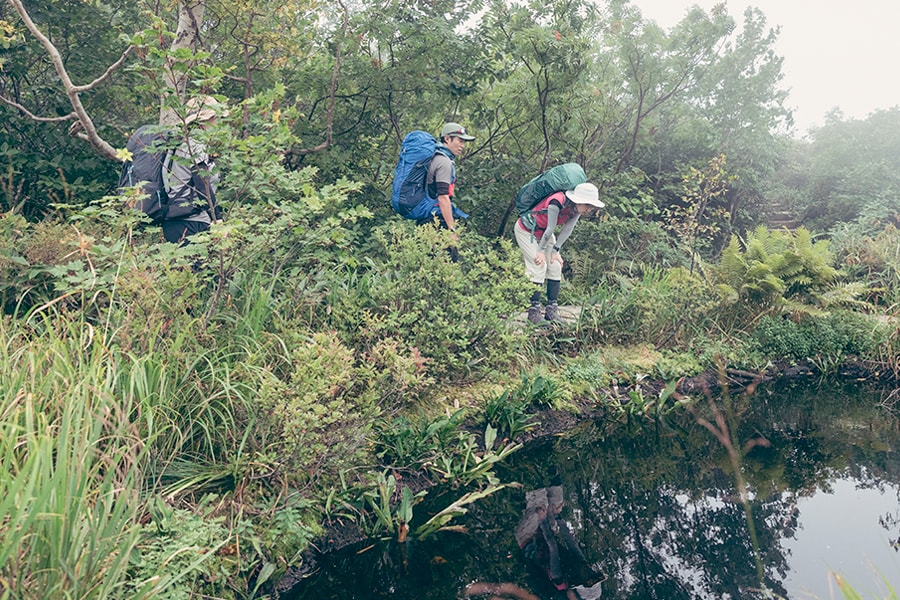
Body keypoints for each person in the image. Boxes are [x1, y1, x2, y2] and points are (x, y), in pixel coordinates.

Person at [515, 182, 603, 324]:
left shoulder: (576, 210)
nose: (589, 209)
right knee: (539, 264)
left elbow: (567, 230)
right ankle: (533, 312)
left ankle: (551, 310)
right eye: (588, 205)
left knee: (555, 265)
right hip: (526, 230)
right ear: (579, 200)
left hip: (544, 233)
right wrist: (540, 251)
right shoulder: (557, 201)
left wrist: (556, 250)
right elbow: (550, 228)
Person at [161, 95, 228, 244]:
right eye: (215, 118)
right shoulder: (195, 145)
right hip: (193, 222)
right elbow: (202, 184)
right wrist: (217, 219)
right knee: (200, 267)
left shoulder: (177, 143)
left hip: (172, 221)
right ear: (204, 121)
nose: (217, 122)